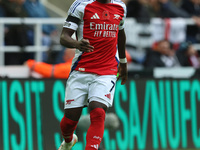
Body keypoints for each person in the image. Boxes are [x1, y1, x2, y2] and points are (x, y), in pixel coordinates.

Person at [58, 0, 128, 149]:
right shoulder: (81, 5)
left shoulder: (120, 7)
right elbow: (64, 37)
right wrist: (77, 44)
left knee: (98, 110)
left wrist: (123, 62)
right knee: (70, 120)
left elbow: (120, 35)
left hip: (107, 70)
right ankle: (69, 141)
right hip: (81, 70)